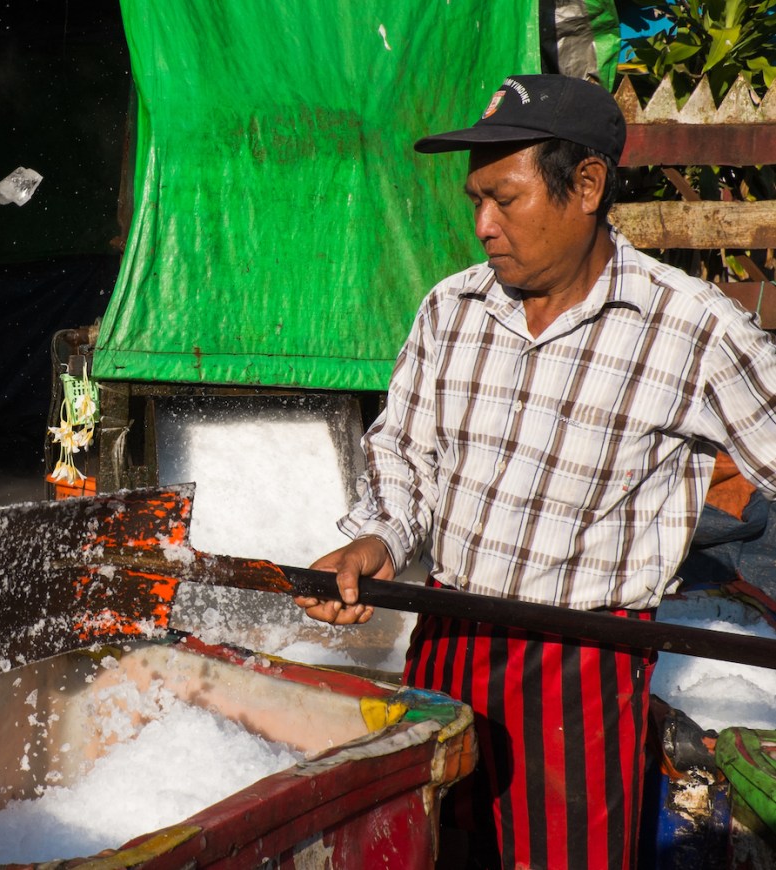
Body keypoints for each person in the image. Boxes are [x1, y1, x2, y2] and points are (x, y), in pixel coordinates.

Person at [293, 74, 776, 869]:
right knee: (428, 851)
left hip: (578, 668)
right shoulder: (450, 309)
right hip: (444, 637)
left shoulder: (690, 329)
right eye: (473, 200)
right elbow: (404, 453)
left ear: (585, 185)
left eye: (503, 199)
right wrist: (379, 537)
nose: (482, 225)